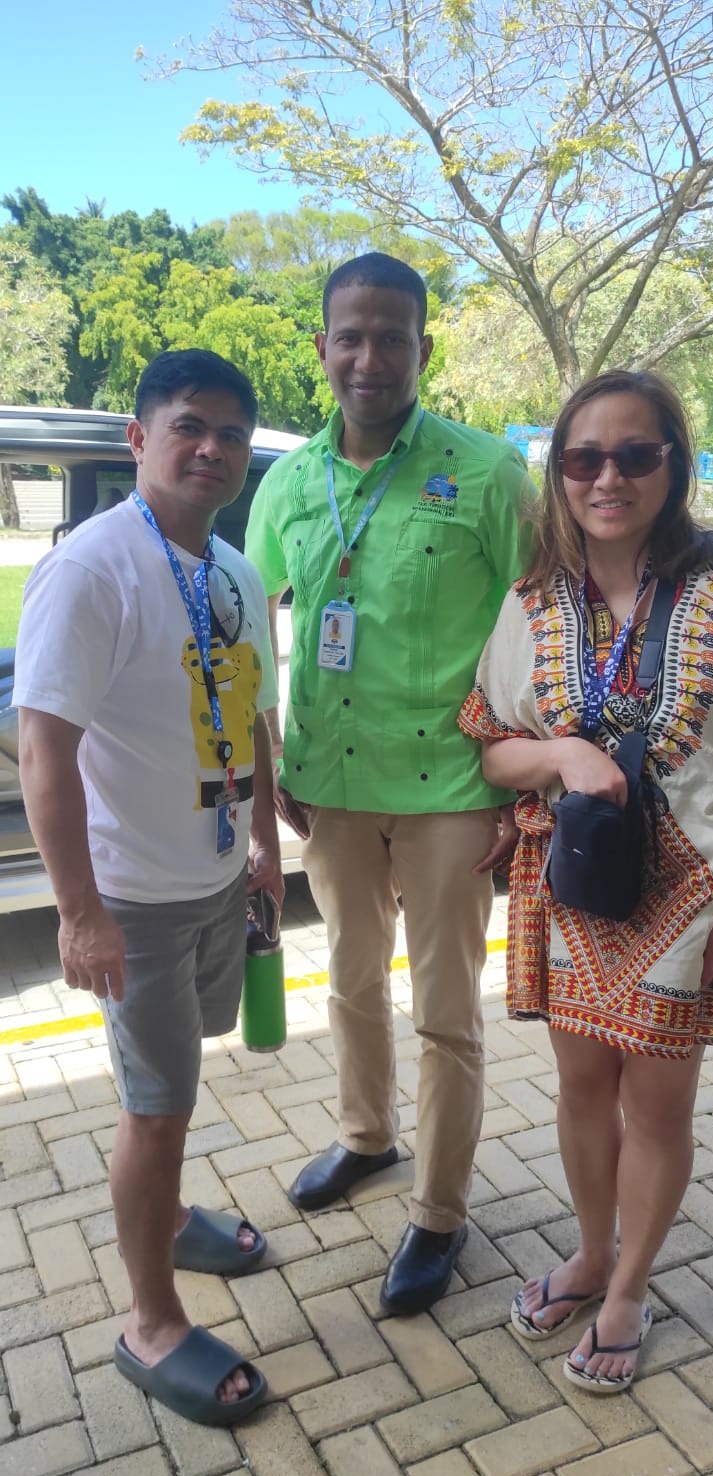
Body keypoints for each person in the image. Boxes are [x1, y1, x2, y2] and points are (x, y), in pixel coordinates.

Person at [245, 252, 534, 1315]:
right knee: (352, 984)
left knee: (447, 1009)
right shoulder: (286, 481)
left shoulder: (490, 471)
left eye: (392, 336)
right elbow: (253, 625)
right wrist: (272, 760)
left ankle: (440, 1211)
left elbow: (535, 622)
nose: (370, 357)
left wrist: (519, 781)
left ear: (425, 347)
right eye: (350, 337)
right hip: (332, 787)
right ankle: (366, 1136)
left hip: (454, 787)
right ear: (321, 347)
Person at [13, 349, 284, 1427]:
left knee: (177, 1083)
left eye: (230, 433)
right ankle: (150, 1319)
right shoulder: (92, 568)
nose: (211, 448)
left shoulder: (233, 571)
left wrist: (263, 840)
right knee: (155, 1106)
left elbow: (250, 716)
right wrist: (78, 910)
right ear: (140, 438)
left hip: (216, 872)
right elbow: (43, 751)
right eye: (188, 426)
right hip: (136, 900)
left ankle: (168, 1217)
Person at [460, 369, 713, 1392]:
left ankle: (629, 1287)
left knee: (655, 1109)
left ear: (674, 464)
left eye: (633, 454)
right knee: (579, 1089)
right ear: (559, 473)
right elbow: (491, 749)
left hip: (693, 895)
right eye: (583, 457)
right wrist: (563, 757)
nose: (606, 476)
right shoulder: (534, 602)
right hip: (571, 883)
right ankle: (592, 1248)